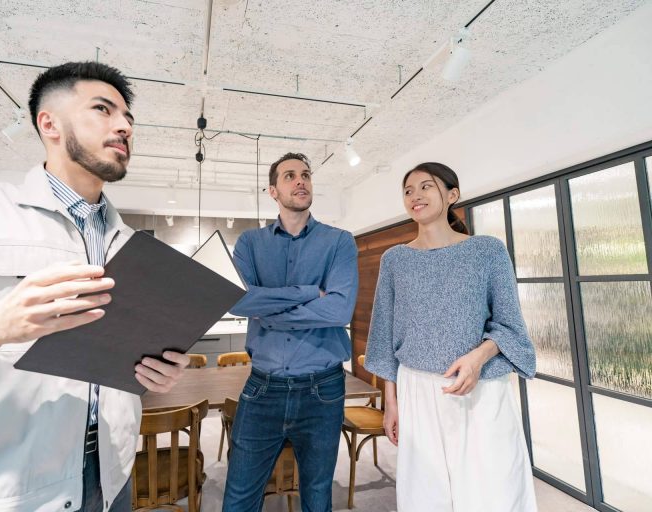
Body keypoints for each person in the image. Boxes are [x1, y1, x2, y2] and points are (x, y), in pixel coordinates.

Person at [0, 61, 190, 512]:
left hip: (112, 477)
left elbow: (109, 362)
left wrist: (153, 374)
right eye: (103, 109)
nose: (124, 126)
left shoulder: (129, 244)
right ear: (48, 123)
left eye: (128, 118)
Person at [364, 162, 537, 512]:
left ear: (452, 194)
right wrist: (391, 402)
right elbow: (383, 337)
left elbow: (510, 326)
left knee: (494, 491)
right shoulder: (395, 259)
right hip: (417, 390)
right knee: (426, 496)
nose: (415, 196)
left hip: (481, 389)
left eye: (426, 186)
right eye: (408, 190)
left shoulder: (487, 251)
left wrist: (478, 357)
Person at [222, 152, 359, 511]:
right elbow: (236, 302)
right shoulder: (250, 244)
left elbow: (340, 309)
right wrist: (309, 292)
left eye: (306, 175)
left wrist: (268, 310)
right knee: (239, 497)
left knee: (317, 496)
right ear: (272, 190)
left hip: (323, 389)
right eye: (290, 176)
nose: (301, 181)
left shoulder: (339, 242)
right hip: (262, 387)